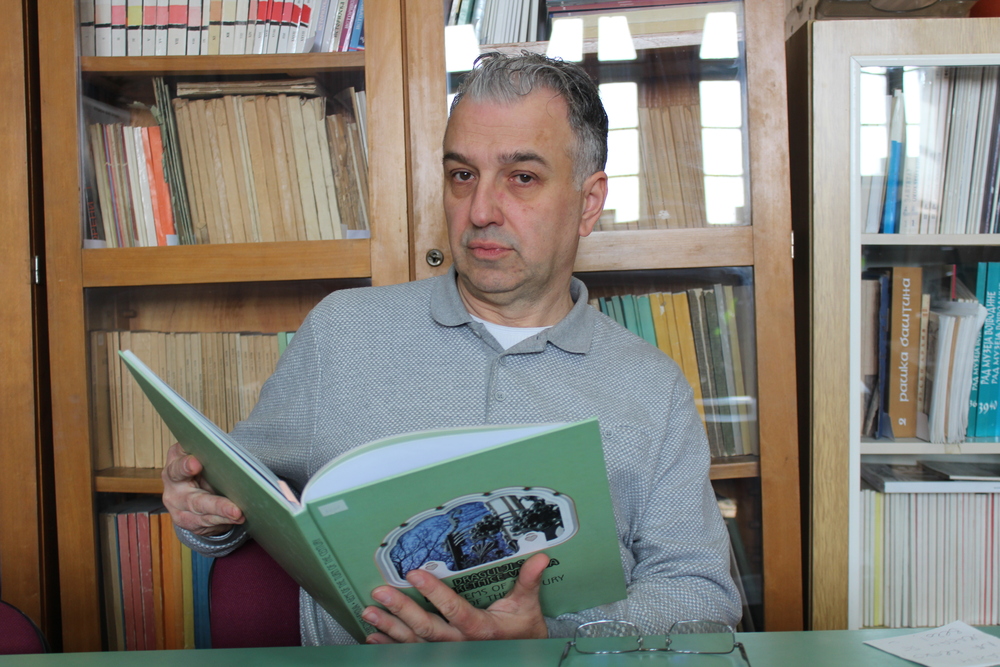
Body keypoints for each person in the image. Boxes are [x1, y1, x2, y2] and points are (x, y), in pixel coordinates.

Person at [162, 51, 741, 645]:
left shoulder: (651, 385)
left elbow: (701, 592)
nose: (481, 211)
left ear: (588, 202)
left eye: (522, 177)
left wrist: (552, 638)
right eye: (463, 175)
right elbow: (241, 505)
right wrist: (202, 508)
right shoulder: (343, 332)